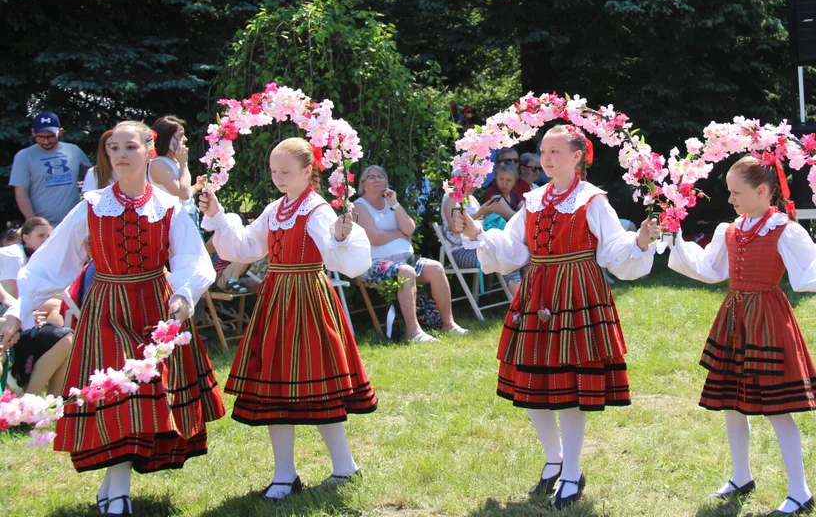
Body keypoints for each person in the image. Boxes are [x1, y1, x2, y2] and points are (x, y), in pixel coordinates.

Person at [0, 120, 223, 516]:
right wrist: (18, 311)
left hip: (155, 309)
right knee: (119, 391)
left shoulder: (168, 206)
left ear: (149, 151)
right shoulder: (91, 206)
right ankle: (118, 495)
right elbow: (51, 263)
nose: (120, 155)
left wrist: (185, 294)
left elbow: (192, 258)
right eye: (113, 148)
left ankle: (112, 486)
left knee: (139, 399)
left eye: (129, 147)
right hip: (107, 307)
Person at [453, 125, 660, 510]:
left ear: (578, 156)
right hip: (538, 291)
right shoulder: (533, 200)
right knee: (530, 379)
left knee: (570, 391)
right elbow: (512, 248)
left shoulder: (592, 200)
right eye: (544, 151)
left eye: (555, 152)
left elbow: (614, 249)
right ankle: (554, 459)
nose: (547, 158)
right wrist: (477, 232)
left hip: (577, 291)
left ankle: (572, 472)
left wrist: (642, 241)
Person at [667, 155, 816, 515]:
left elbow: (812, 270)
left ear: (762, 191)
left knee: (777, 406)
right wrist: (674, 240)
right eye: (728, 192)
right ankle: (741, 475)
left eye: (736, 192)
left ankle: (800, 492)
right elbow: (711, 268)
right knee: (731, 401)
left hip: (767, 321)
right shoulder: (731, 229)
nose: (730, 199)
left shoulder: (785, 230)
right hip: (735, 318)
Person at [200, 137, 378, 499]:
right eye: (273, 171)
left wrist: (342, 235)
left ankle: (344, 467)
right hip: (276, 299)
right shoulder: (275, 208)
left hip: (309, 299)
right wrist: (217, 215)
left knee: (321, 383)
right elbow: (248, 246)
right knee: (273, 383)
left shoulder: (317, 209)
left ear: (308, 170)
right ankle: (284, 473)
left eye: (285, 171)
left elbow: (337, 255)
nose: (278, 178)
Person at [353, 165, 469, 343]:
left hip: (404, 259)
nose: (377, 179)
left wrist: (395, 204)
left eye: (380, 176)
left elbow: (409, 228)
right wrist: (399, 234)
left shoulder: (390, 203)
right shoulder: (359, 206)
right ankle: (413, 332)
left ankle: (449, 324)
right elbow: (374, 238)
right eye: (371, 177)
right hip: (375, 263)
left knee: (436, 268)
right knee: (406, 272)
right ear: (363, 184)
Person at [9, 111, 91, 224]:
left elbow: (94, 175)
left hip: (75, 222)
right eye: (41, 137)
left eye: (51, 136)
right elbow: (21, 191)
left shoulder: (74, 151)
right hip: (44, 226)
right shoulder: (24, 156)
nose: (46, 141)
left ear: (60, 132)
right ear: (33, 132)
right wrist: (33, 223)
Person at [148, 116, 198, 226]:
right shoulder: (159, 164)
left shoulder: (175, 161)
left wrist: (197, 186)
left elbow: (186, 194)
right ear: (168, 139)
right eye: (180, 135)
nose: (185, 139)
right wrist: (184, 164)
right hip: (176, 221)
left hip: (188, 215)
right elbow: (183, 194)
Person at [82, 130, 118, 194]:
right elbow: (89, 201)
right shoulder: (95, 173)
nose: (119, 150)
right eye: (114, 146)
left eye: (128, 147)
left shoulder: (139, 170)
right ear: (104, 148)